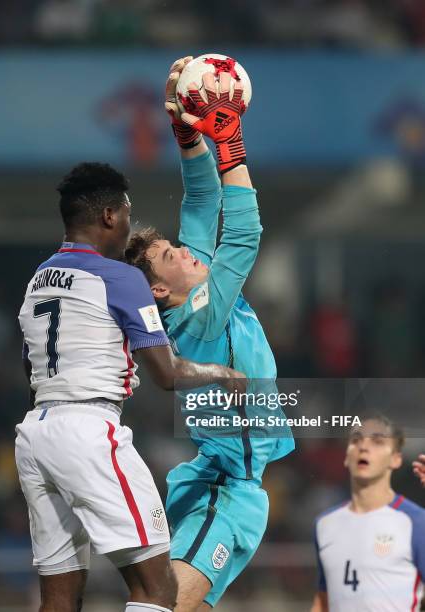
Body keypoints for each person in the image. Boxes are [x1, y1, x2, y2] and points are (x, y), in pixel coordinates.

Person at [16, 162, 246, 612]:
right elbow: (167, 374)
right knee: (157, 587)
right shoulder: (119, 278)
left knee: (59, 599)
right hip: (89, 429)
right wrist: (221, 374)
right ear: (108, 216)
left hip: (36, 433)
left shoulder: (37, 280)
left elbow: (32, 371)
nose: (128, 224)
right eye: (126, 213)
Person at [125, 58, 295, 611]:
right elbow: (243, 233)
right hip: (226, 492)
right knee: (164, 607)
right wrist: (229, 142)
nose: (186, 252)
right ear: (157, 290)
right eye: (172, 254)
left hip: (217, 481)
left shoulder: (190, 290)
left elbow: (201, 202)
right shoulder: (200, 314)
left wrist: (185, 136)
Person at [311, 415, 425, 612]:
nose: (363, 447)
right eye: (356, 440)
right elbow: (323, 601)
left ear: (396, 459)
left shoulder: (416, 522)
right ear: (346, 456)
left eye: (378, 441)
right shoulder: (325, 524)